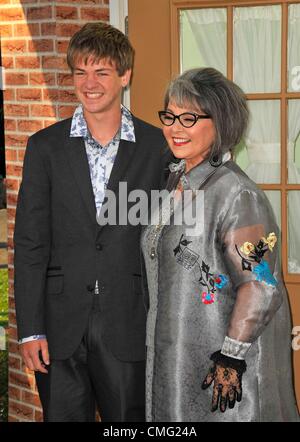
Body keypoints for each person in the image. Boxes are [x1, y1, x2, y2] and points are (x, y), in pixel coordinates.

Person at [14, 22, 169, 422]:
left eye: (101, 72)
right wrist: (30, 330)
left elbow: (170, 239)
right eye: (80, 72)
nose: (90, 83)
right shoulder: (44, 147)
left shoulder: (159, 149)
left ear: (124, 75)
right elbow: (30, 243)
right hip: (58, 328)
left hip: (130, 322)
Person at [141, 67, 300, 422]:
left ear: (222, 123)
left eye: (189, 117)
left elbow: (260, 284)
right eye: (169, 115)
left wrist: (230, 357)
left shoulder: (236, 193)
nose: (175, 128)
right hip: (175, 353)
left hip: (219, 364)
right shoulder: (176, 181)